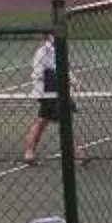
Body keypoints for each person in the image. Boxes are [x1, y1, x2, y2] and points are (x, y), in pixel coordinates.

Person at [21, 34, 86, 167]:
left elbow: (64, 69)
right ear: (49, 36)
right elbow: (38, 74)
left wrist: (74, 82)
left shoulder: (60, 49)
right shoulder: (42, 52)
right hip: (47, 92)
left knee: (42, 120)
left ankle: (29, 152)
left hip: (58, 92)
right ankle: (75, 153)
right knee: (63, 120)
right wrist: (58, 79)